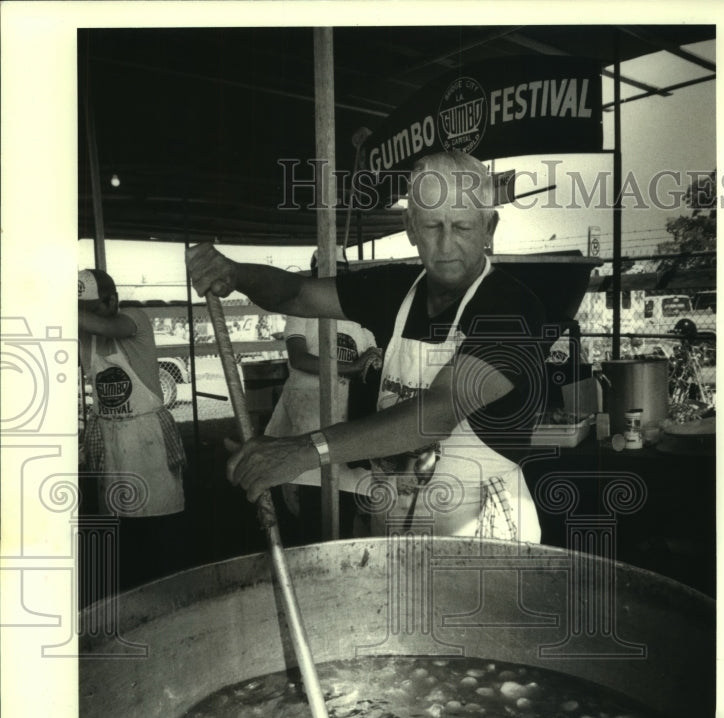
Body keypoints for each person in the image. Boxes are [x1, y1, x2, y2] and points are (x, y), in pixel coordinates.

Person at [186, 151, 548, 543]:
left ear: (489, 227)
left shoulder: (514, 309)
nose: (445, 246)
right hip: (396, 525)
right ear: (410, 228)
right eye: (431, 225)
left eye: (461, 227)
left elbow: (436, 414)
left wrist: (301, 451)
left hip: (482, 537)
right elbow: (296, 295)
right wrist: (236, 274)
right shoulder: (396, 290)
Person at [78, 268, 187, 588]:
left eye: (94, 306)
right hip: (112, 441)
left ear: (113, 299)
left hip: (146, 438)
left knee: (159, 527)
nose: (87, 315)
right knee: (122, 530)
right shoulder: (86, 334)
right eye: (82, 308)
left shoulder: (134, 319)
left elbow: (100, 324)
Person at [264, 246, 382, 535]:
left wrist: (373, 358)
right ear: (315, 273)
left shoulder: (359, 313)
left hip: (347, 419)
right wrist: (351, 368)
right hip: (309, 416)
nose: (332, 278)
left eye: (339, 272)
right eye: (324, 271)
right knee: (311, 506)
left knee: (348, 506)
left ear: (347, 272)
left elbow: (373, 353)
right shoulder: (301, 310)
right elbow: (299, 358)